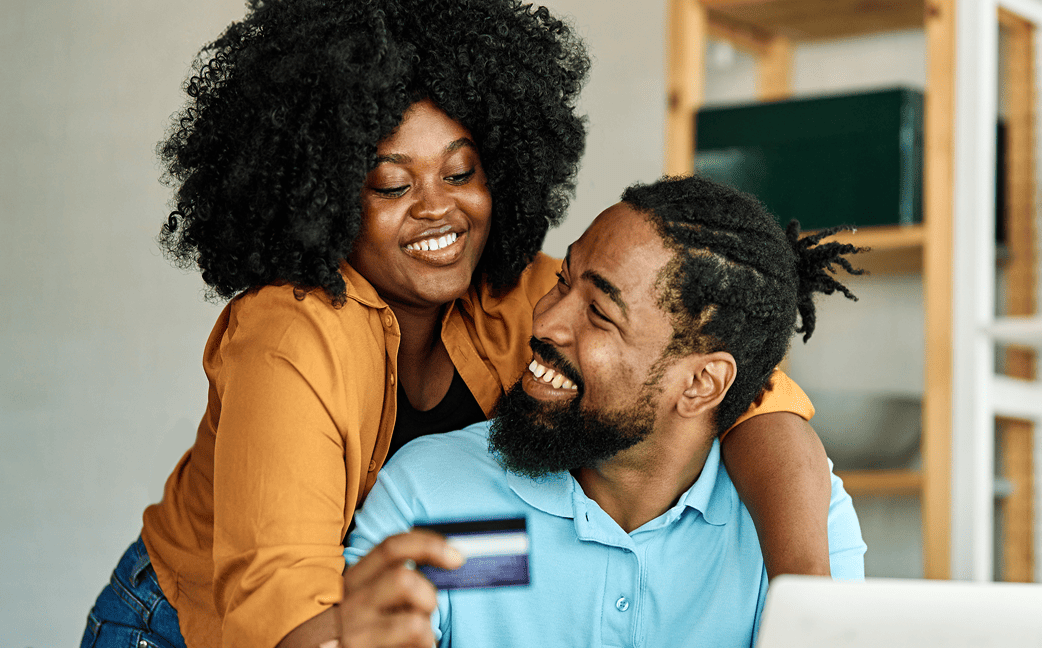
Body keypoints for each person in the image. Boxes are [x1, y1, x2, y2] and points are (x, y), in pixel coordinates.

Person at [80, 2, 836, 648]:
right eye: (391, 183)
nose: (437, 208)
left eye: (461, 171)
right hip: (185, 625)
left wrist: (812, 607)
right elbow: (278, 612)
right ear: (322, 193)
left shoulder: (532, 295)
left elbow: (745, 392)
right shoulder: (288, 339)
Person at [340, 176, 867, 648]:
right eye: (563, 280)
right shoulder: (436, 496)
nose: (545, 322)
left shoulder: (792, 523)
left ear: (702, 383)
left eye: (599, 313)